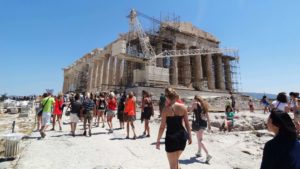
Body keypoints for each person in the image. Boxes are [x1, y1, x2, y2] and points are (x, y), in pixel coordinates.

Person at [156, 88, 192, 169]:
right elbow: (187, 124)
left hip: (171, 139)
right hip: (182, 138)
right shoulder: (183, 107)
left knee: (173, 166)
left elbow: (162, 127)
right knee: (176, 162)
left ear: (167, 97)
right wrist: (190, 136)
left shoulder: (165, 109)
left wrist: (158, 140)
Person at [189, 95, 212, 162]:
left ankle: (208, 154)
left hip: (198, 124)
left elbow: (190, 112)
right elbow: (207, 116)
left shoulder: (195, 104)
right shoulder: (204, 104)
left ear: (195, 99)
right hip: (204, 123)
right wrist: (209, 125)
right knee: (199, 138)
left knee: (200, 140)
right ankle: (199, 152)